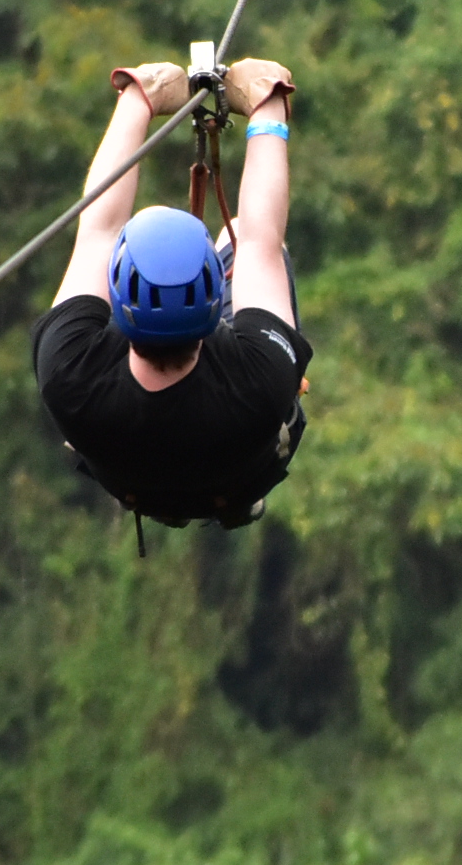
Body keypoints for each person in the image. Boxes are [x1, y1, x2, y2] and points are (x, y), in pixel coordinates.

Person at [32, 55, 307, 534]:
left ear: (118, 296)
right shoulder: (260, 379)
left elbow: (98, 231)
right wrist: (267, 110)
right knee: (240, 232)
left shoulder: (69, 371)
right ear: (213, 293)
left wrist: (139, 97)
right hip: (238, 469)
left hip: (134, 474)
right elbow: (260, 245)